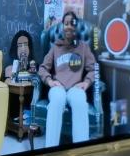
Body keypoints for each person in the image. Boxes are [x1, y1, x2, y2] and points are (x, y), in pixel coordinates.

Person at [38, 10, 97, 146]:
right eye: (66, 23)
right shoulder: (55, 48)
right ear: (62, 27)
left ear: (76, 27)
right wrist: (49, 81)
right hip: (58, 87)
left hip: (75, 88)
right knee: (57, 100)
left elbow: (94, 68)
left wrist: (86, 83)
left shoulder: (83, 47)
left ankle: (81, 150)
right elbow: (42, 68)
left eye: (72, 23)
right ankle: (50, 150)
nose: (69, 26)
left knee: (80, 101)